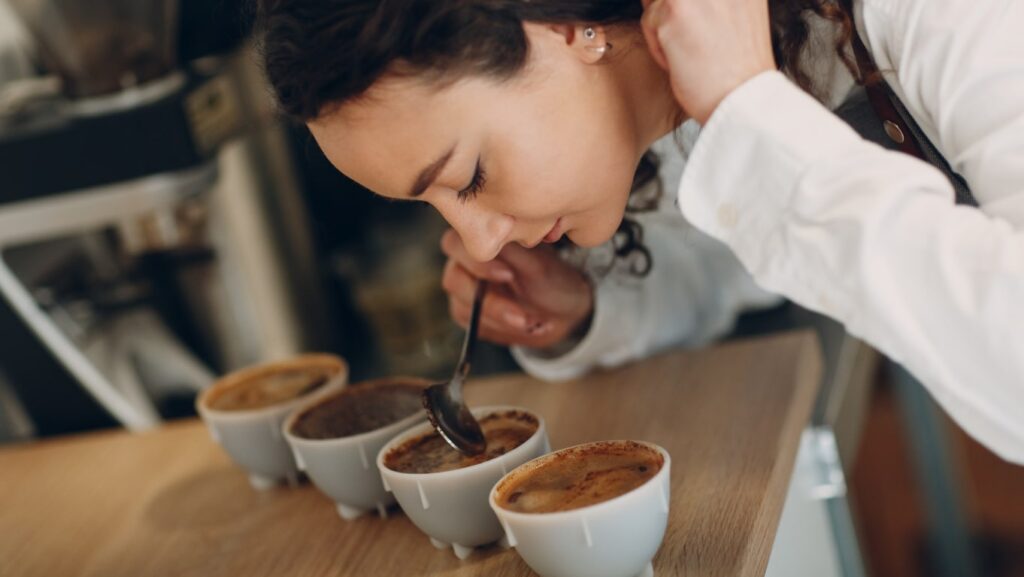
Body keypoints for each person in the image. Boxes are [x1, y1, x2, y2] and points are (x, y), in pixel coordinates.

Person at [256, 0, 1024, 464]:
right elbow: (734, 261)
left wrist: (748, 109)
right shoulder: (667, 84)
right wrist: (586, 310)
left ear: (563, 28)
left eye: (471, 175)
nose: (482, 243)